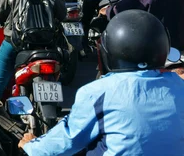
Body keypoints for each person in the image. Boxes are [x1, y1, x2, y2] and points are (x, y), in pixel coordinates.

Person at [19, 10, 184, 156]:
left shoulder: (99, 91)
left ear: (110, 51)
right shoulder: (179, 85)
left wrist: (31, 146)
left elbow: (66, 140)